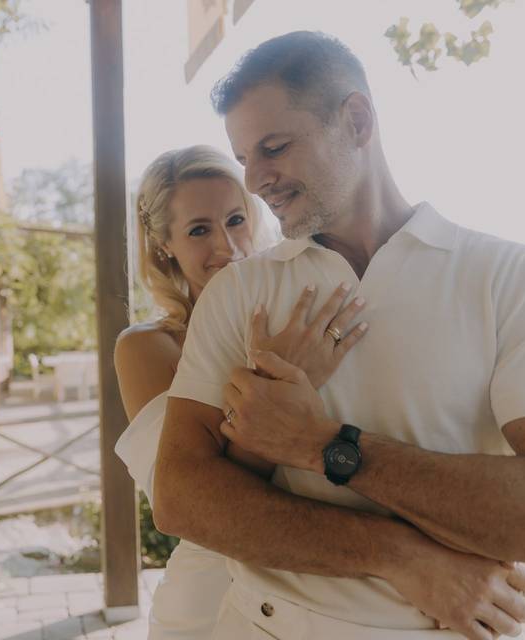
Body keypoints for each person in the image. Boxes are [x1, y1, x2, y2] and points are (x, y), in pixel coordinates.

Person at [154, 32, 525, 640]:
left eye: (273, 147)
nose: (257, 179)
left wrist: (324, 446)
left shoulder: (510, 276)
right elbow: (181, 499)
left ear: (357, 119)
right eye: (243, 157)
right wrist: (396, 553)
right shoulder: (239, 292)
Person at [114, 144, 370, 639]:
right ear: (164, 244)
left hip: (320, 595)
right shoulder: (148, 348)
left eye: (235, 219)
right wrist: (287, 384)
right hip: (210, 598)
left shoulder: (299, 320)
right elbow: (194, 503)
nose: (228, 246)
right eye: (199, 230)